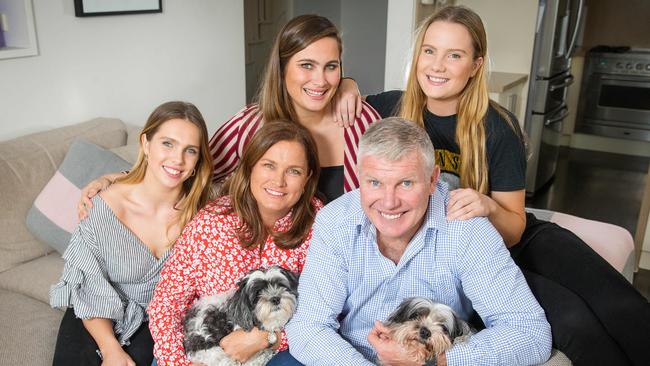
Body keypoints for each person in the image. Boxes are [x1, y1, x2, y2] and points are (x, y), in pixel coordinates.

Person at [337, 6, 650, 365]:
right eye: (429, 51)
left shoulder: (497, 127)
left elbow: (516, 228)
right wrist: (348, 83)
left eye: (454, 55)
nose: (437, 66)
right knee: (576, 322)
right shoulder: (390, 107)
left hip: (516, 236)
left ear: (476, 64)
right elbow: (338, 96)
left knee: (617, 300)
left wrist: (487, 206)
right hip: (479, 260)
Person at [280, 117, 551, 366]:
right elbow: (309, 326)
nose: (389, 202)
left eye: (406, 183)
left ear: (433, 179)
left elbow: (530, 332)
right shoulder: (335, 222)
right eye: (374, 182)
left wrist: (436, 361)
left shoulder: (466, 228)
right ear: (359, 175)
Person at [79, 14, 380, 211]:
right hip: (269, 277)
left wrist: (349, 85)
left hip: (345, 275)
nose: (320, 80)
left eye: (331, 67)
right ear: (283, 67)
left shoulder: (363, 121)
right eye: (306, 66)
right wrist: (120, 179)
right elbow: (190, 168)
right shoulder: (249, 126)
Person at [49, 101, 213, 366]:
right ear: (146, 144)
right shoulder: (103, 206)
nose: (178, 159)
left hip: (156, 321)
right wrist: (111, 348)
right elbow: (88, 287)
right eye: (167, 144)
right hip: (95, 315)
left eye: (190, 150)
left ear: (198, 160)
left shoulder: (203, 216)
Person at [147, 120, 323, 366]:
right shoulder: (211, 223)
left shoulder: (322, 225)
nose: (279, 181)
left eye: (293, 171)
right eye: (269, 166)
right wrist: (179, 363)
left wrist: (267, 339)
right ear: (250, 167)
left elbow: (326, 312)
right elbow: (166, 302)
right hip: (205, 344)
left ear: (308, 177)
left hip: (280, 350)